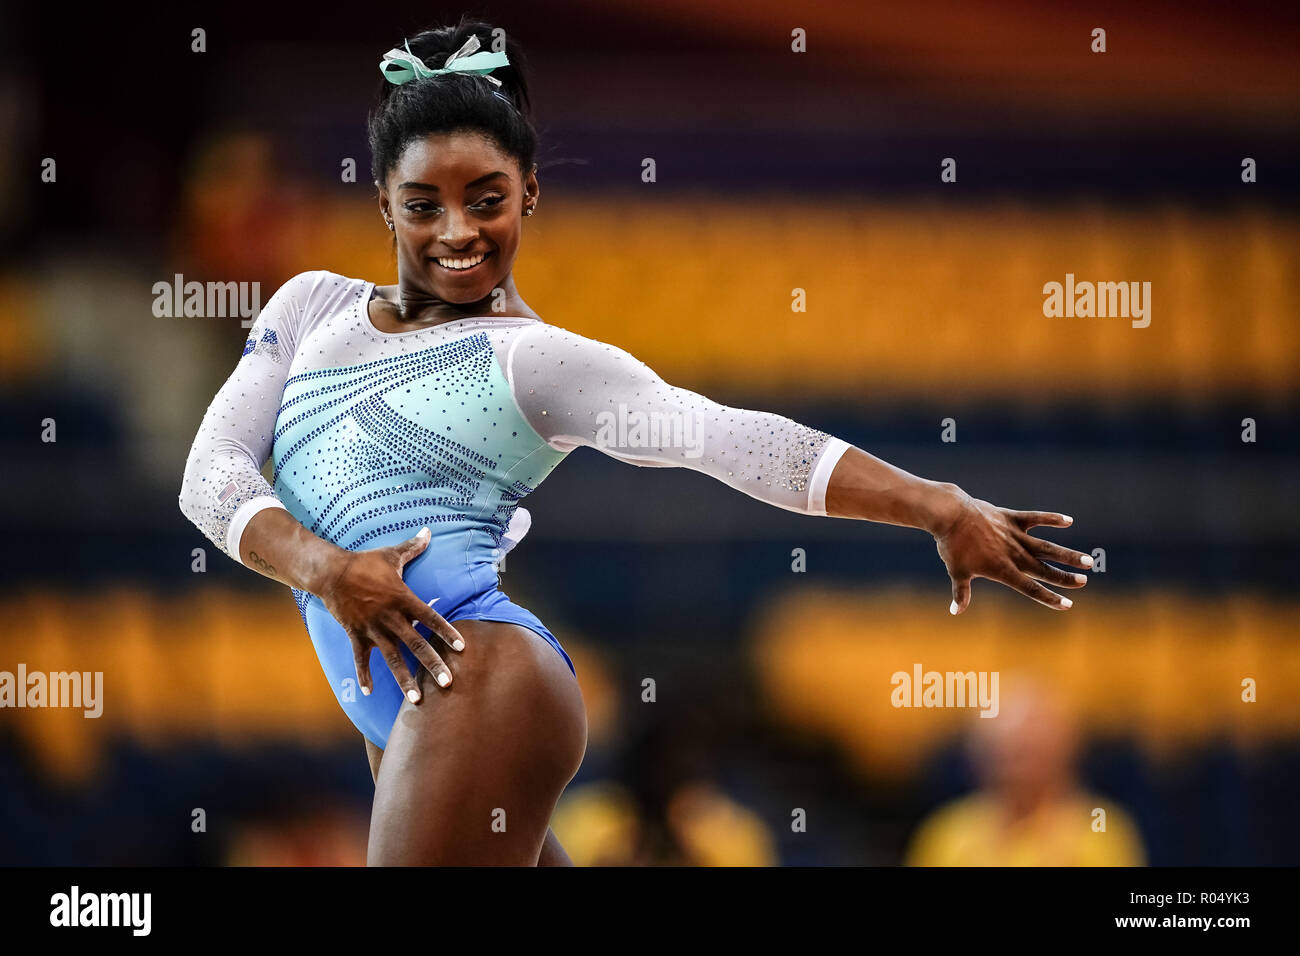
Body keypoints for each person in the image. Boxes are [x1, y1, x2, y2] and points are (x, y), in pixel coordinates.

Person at [179, 17, 1092, 866]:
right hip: (404, 704)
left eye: (486, 198)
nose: (457, 232)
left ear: (529, 191)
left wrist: (936, 504)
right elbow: (209, 476)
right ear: (383, 202)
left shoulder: (533, 363)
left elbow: (730, 439)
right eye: (424, 205)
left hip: (483, 681)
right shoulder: (307, 307)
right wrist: (326, 569)